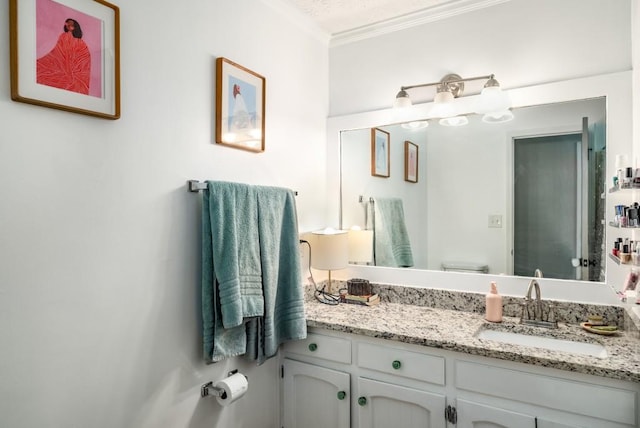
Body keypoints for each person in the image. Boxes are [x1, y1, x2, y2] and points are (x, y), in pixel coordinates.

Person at [37, 18, 91, 95]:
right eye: (67, 24)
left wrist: (73, 68)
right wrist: (67, 68)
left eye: (71, 24)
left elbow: (84, 58)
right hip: (61, 66)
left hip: (77, 72)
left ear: (76, 26)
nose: (69, 25)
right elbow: (58, 52)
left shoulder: (81, 42)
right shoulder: (63, 36)